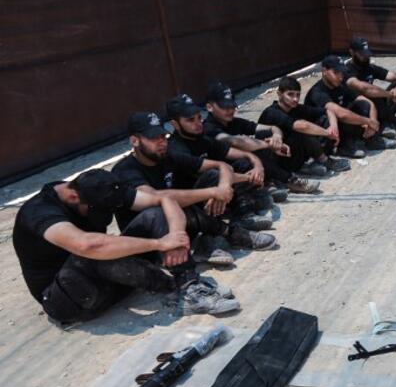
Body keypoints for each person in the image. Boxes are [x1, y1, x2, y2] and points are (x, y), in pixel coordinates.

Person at [14, 165, 239, 325]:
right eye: (95, 211)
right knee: (94, 249)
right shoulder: (39, 212)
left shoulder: (99, 188)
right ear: (72, 197)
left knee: (155, 214)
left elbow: (164, 199)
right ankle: (175, 291)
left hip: (105, 282)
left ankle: (189, 285)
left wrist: (176, 238)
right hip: (67, 300)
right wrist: (159, 243)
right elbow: (86, 245)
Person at [113, 111, 276, 257]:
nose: (162, 142)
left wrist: (223, 187)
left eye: (162, 136)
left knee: (213, 177)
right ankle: (231, 233)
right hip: (147, 238)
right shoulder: (124, 170)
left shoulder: (168, 157)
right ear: (134, 141)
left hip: (177, 227)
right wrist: (213, 192)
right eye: (153, 138)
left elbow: (221, 165)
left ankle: (207, 240)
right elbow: (155, 197)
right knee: (169, 205)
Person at [165, 93, 274, 232]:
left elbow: (242, 154)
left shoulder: (201, 138)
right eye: (190, 120)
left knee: (242, 163)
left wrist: (257, 166)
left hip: (217, 192)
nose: (198, 123)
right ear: (175, 124)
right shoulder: (176, 149)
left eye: (199, 117)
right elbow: (216, 174)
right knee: (215, 175)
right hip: (192, 202)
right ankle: (242, 216)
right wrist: (249, 178)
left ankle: (245, 207)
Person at [202, 81, 321, 196]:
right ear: (209, 107)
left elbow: (272, 128)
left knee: (265, 135)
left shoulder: (234, 122)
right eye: (224, 107)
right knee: (250, 152)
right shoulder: (208, 128)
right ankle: (284, 181)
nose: (230, 110)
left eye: (231, 106)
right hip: (223, 173)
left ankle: (271, 180)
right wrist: (269, 144)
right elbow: (236, 142)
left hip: (250, 166)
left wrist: (277, 137)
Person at [304, 55, 395, 159]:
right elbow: (341, 114)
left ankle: (370, 138)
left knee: (363, 105)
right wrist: (367, 121)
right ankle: (342, 147)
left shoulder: (341, 84)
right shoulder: (317, 92)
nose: (340, 76)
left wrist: (373, 122)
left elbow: (367, 102)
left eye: (341, 72)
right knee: (334, 115)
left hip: (343, 125)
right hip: (323, 134)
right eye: (336, 72)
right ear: (324, 71)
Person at [258, 76, 350, 177]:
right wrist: (328, 133)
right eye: (290, 94)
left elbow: (328, 111)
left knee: (324, 119)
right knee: (302, 130)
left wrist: (333, 127)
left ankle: (317, 158)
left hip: (293, 152)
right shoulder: (272, 112)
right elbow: (302, 126)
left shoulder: (295, 108)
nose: (295, 99)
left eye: (298, 95)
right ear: (279, 94)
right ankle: (323, 159)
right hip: (277, 159)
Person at [344, 36, 396, 137]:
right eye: (362, 54)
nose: (366, 57)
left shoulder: (369, 67)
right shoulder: (346, 70)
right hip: (356, 108)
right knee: (372, 94)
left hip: (376, 108)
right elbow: (365, 89)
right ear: (352, 52)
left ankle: (386, 123)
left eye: (367, 54)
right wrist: (389, 94)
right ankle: (394, 122)